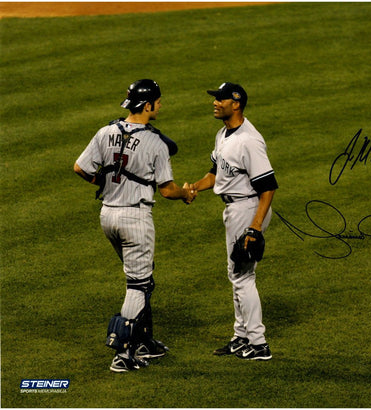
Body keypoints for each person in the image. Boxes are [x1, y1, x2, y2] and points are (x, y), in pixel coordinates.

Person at [74, 79, 196, 372]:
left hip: (108, 216)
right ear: (147, 105)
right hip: (135, 219)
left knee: (143, 280)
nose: (160, 105)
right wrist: (187, 193)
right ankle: (123, 354)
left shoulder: (106, 132)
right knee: (138, 285)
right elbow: (167, 190)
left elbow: (80, 167)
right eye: (158, 100)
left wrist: (101, 181)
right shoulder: (156, 142)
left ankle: (145, 342)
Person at [190, 82, 278, 360]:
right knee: (237, 275)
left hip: (248, 208)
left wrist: (255, 225)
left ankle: (258, 343)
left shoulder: (249, 140)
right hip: (235, 209)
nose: (215, 102)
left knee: (243, 276)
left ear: (236, 103)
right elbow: (215, 174)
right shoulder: (223, 134)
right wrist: (192, 188)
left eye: (220, 99)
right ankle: (241, 336)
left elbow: (268, 187)